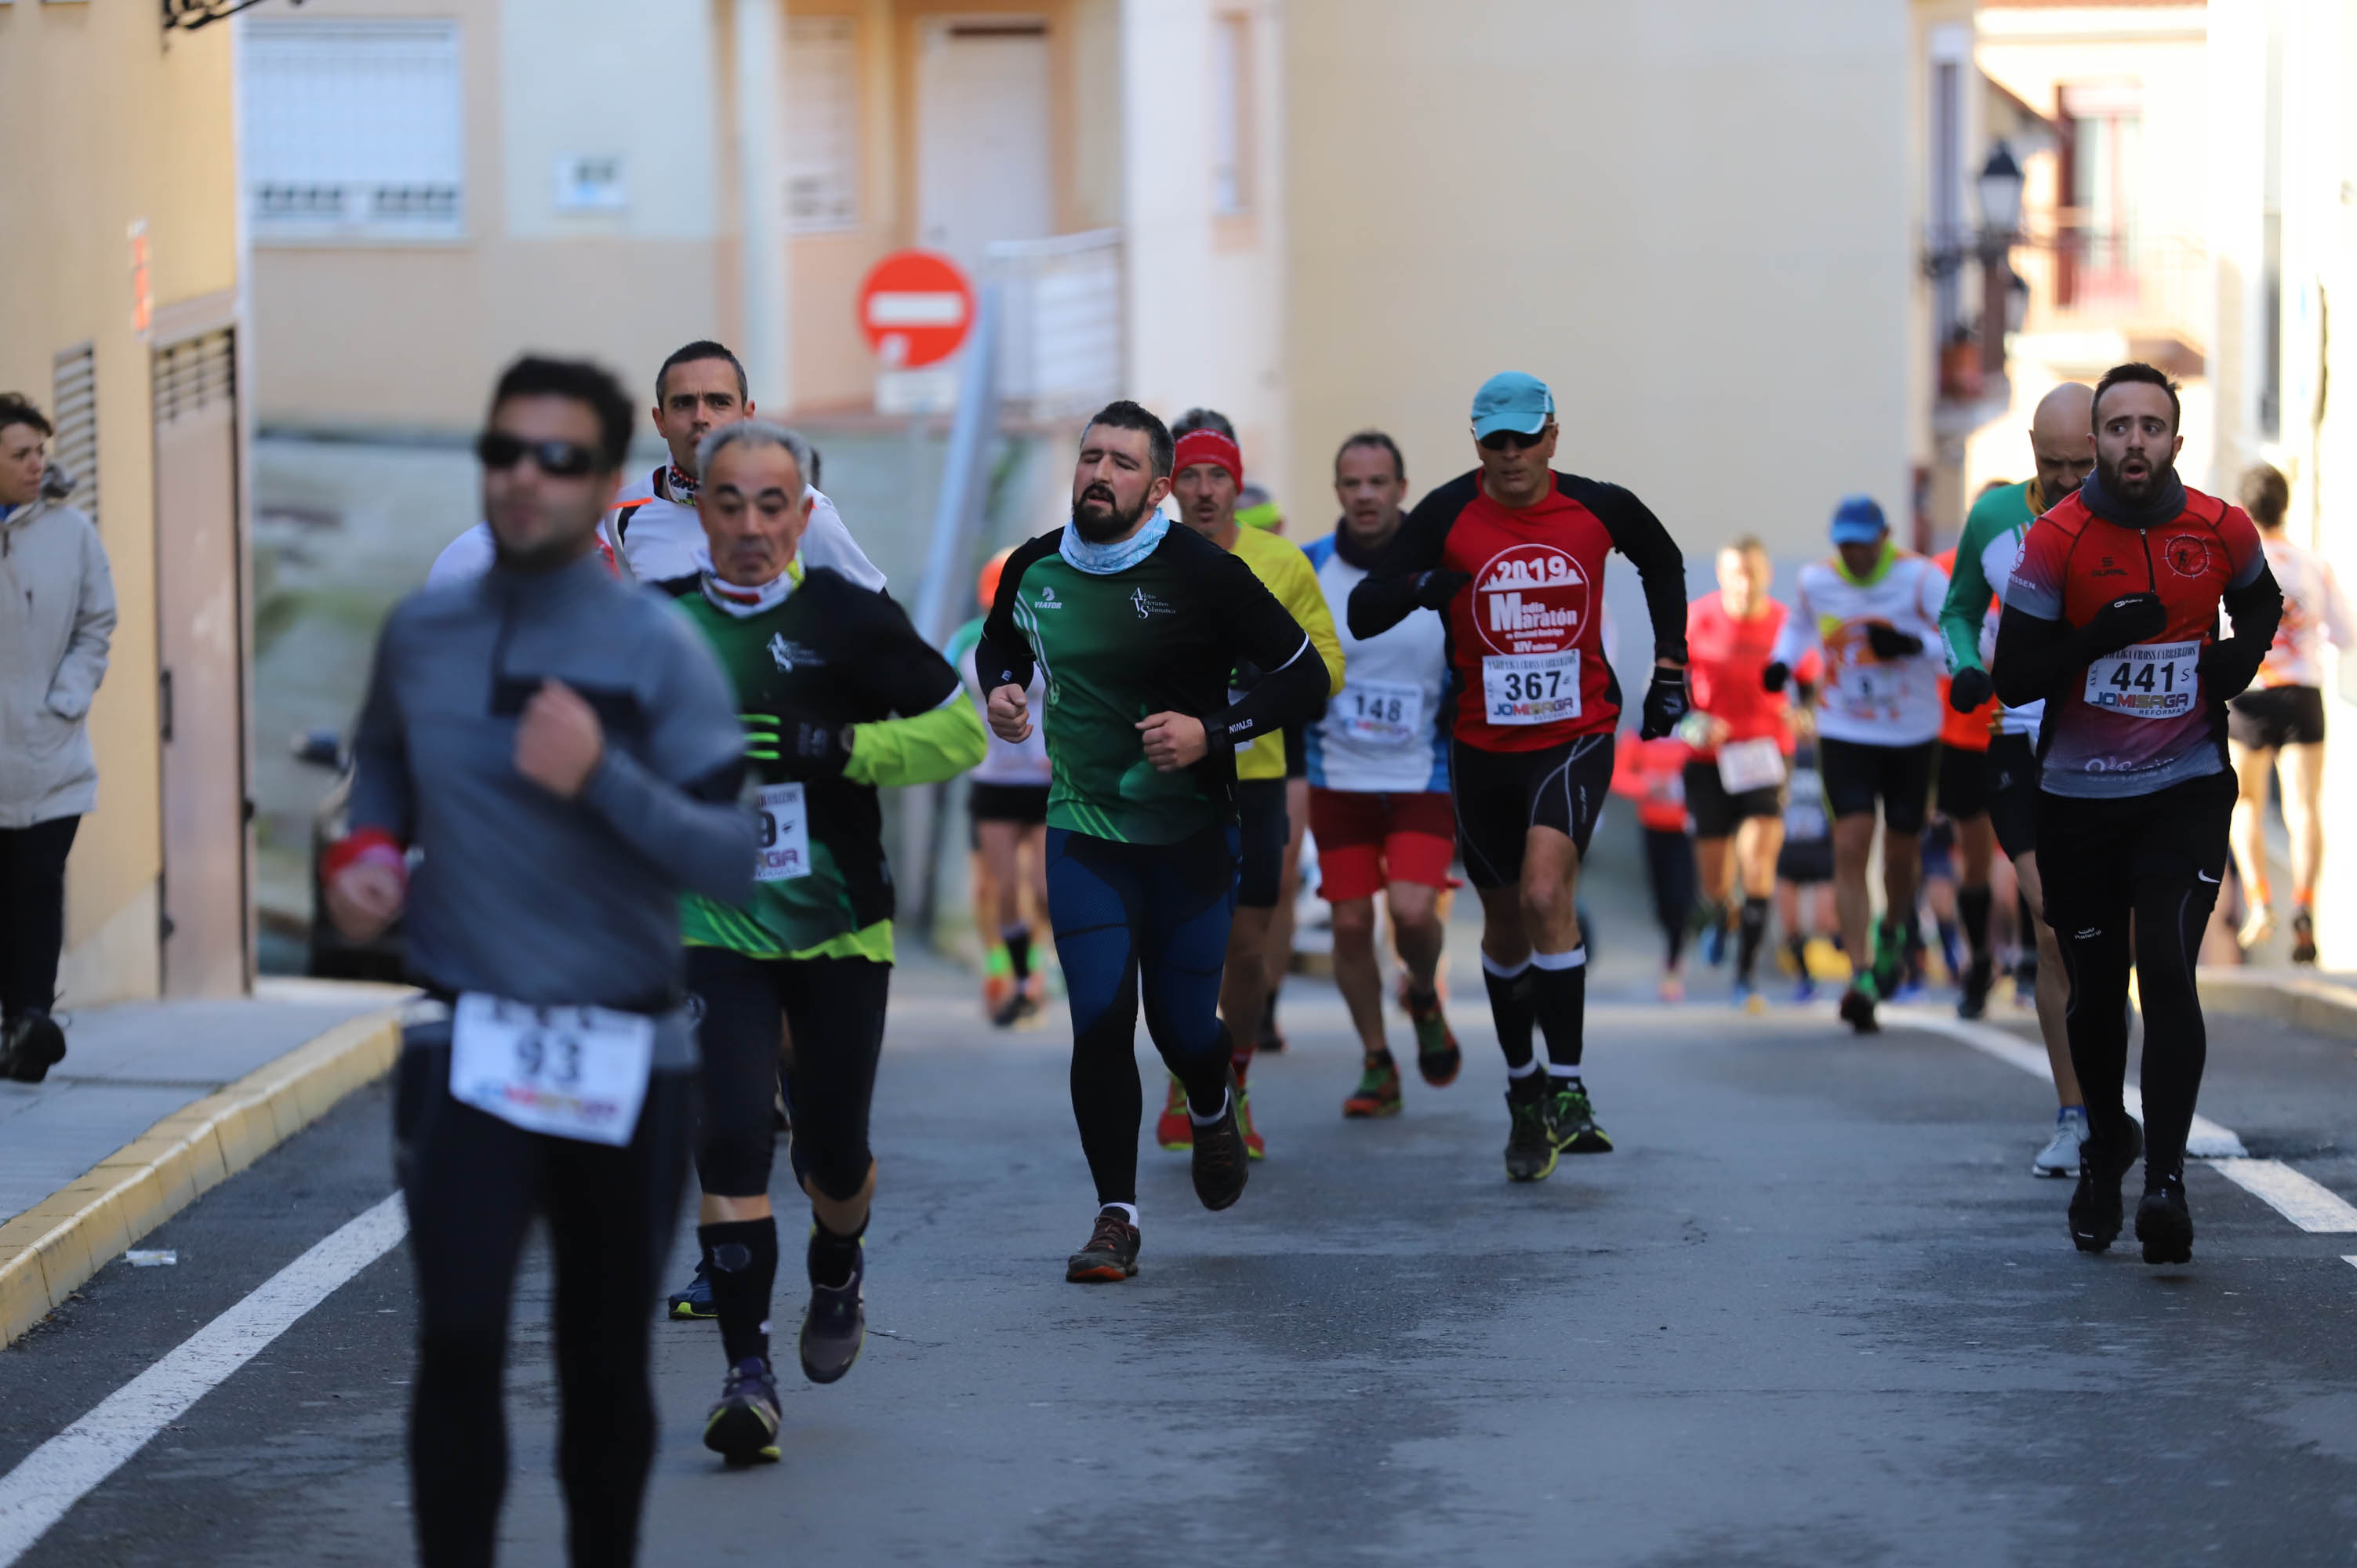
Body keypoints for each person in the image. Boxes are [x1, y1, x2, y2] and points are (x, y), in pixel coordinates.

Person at [324, 356, 757, 1563]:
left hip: (626, 1049)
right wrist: (362, 860)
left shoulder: (663, 649)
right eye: (504, 453)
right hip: (470, 1037)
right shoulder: (424, 630)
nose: (525, 479)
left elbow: (733, 857)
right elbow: (383, 779)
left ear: (607, 479)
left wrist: (602, 778)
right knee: (458, 1337)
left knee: (599, 1357)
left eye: (558, 459)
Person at [652, 419, 984, 1462]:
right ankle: (746, 1377)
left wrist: (841, 746)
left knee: (834, 1152)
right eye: (729, 504)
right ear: (700, 513)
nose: (750, 526)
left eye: (771, 505)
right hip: (711, 926)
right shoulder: (654, 628)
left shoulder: (847, 618)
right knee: (735, 1134)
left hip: (838, 928)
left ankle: (837, 1260)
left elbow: (960, 731)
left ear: (802, 515)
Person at [974, 401, 1329, 1282]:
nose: (1098, 472)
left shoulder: (1203, 571)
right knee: (1099, 1018)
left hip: (1192, 834)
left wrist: (1215, 729)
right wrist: (1007, 692)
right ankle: (1116, 1218)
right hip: (1084, 827)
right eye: (1090, 455)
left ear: (1159, 485)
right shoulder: (1034, 564)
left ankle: (1212, 1100)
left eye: (1122, 462)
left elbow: (1306, 679)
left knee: (1183, 1029)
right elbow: (1000, 645)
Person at [1350, 372, 1689, 1182]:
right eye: (1496, 440)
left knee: (1545, 894)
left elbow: (1663, 558)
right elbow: (1365, 608)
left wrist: (1671, 666)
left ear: (1552, 437)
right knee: (1503, 924)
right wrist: (1422, 587)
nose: (1512, 455)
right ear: (1478, 443)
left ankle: (1568, 1086)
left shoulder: (1599, 506)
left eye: (1525, 438)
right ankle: (1523, 1088)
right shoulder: (1445, 512)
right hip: (1480, 746)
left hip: (1573, 733)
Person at [1993, 361, 2282, 1265]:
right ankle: (2104, 1144)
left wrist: (2238, 662)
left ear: (2175, 441)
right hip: (2078, 796)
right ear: (2094, 443)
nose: (2133, 443)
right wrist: (2095, 640)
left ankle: (2164, 1180)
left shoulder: (2220, 527)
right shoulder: (2056, 540)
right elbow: (2013, 677)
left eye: (2150, 427)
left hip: (2185, 783)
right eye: (2116, 427)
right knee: (2092, 997)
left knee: (2164, 959)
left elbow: (2263, 600)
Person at [1148, 413, 1344, 1160]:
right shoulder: (1145, 559)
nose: (1204, 491)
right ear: (1170, 487)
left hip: (1256, 778)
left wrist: (1269, 680)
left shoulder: (1281, 562)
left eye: (1218, 476)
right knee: (1174, 938)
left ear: (1238, 485)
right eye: (1190, 476)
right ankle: (1185, 1073)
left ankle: (1232, 1081)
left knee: (1247, 944)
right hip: (1166, 776)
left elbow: (1328, 664)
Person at [1940, 381, 2096, 1176]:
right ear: (2031, 450)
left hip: (2111, 742)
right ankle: (2075, 1114)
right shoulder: (1996, 516)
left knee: (2104, 937)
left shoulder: (2129, 518)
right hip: (2019, 740)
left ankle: (2104, 1095)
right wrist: (1967, 666)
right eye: (2053, 463)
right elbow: (1960, 608)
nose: (2069, 480)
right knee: (2051, 919)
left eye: (2084, 463)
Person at [1300, 430, 1462, 1117]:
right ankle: (1376, 1060)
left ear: (1402, 488)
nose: (1365, 495)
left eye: (1378, 482)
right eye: (1351, 482)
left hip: (1422, 772)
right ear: (1337, 491)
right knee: (1345, 926)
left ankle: (1421, 992)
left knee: (1412, 912)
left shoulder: (1441, 565)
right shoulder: (1306, 568)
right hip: (1336, 774)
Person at [1766, 496, 1947, 1033]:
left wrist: (1914, 644)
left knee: (1901, 851)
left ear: (1884, 536)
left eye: (1864, 544)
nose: (1855, 554)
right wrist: (1780, 663)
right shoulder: (1817, 581)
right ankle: (1861, 974)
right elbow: (1798, 627)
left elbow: (1966, 641)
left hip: (1912, 732)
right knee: (1850, 841)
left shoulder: (1919, 579)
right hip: (1845, 727)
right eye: (1845, 544)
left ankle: (1892, 930)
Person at [0, 394, 114, 1083]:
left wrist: (66, 700)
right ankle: (13, 1021)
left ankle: (34, 1018)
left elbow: (97, 621)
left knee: (38, 882)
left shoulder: (73, 534)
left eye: (41, 451)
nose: (36, 464)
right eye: (20, 455)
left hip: (52, 754)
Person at [604, 339, 883, 590]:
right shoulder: (617, 514)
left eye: (719, 402)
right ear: (660, 421)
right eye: (683, 403)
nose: (701, 417)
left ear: (747, 416)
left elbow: (880, 627)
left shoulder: (803, 510)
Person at [2225, 461, 2353, 963]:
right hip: (2302, 690)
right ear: (2286, 505)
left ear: (2243, 508)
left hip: (2251, 691)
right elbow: (2345, 634)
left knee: (2246, 805)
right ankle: (2305, 906)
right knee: (2304, 807)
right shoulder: (2312, 565)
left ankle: (2259, 900)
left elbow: (2216, 630)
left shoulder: (2235, 564)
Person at [1681, 538, 1807, 1011]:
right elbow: (1669, 687)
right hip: (1710, 761)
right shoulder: (1697, 619)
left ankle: (1746, 975)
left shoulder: (1783, 622)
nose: (1744, 581)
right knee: (1714, 879)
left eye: (1753, 572)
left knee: (1758, 863)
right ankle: (1722, 912)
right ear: (1720, 574)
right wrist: (1693, 722)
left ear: (1766, 574)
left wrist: (1805, 712)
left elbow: (1808, 679)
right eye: (1736, 572)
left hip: (1766, 754)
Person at [946, 547, 1057, 1024]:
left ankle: (1045, 968)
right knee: (1000, 885)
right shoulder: (969, 639)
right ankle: (1012, 971)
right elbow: (944, 698)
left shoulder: (1049, 630)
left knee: (1046, 886)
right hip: (992, 780)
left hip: (1044, 779)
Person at [1930, 539, 2000, 1014]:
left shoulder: (2042, 564)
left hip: (2025, 732)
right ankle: (1979, 961)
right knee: (1974, 858)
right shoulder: (1940, 573)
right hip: (1960, 738)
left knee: (2038, 856)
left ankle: (2048, 958)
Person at [1612, 731, 1695, 1002]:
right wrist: (1648, 786)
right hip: (1653, 826)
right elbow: (1617, 776)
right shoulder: (1639, 733)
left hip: (1688, 829)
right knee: (1662, 902)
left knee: (1679, 899)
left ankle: (1673, 963)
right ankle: (1673, 948)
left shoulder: (1694, 729)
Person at [1774, 719, 1840, 1002]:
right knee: (1790, 924)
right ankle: (1805, 978)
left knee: (1826, 921)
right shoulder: (1780, 759)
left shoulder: (1829, 757)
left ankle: (1862, 967)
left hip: (1821, 851)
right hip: (1788, 852)